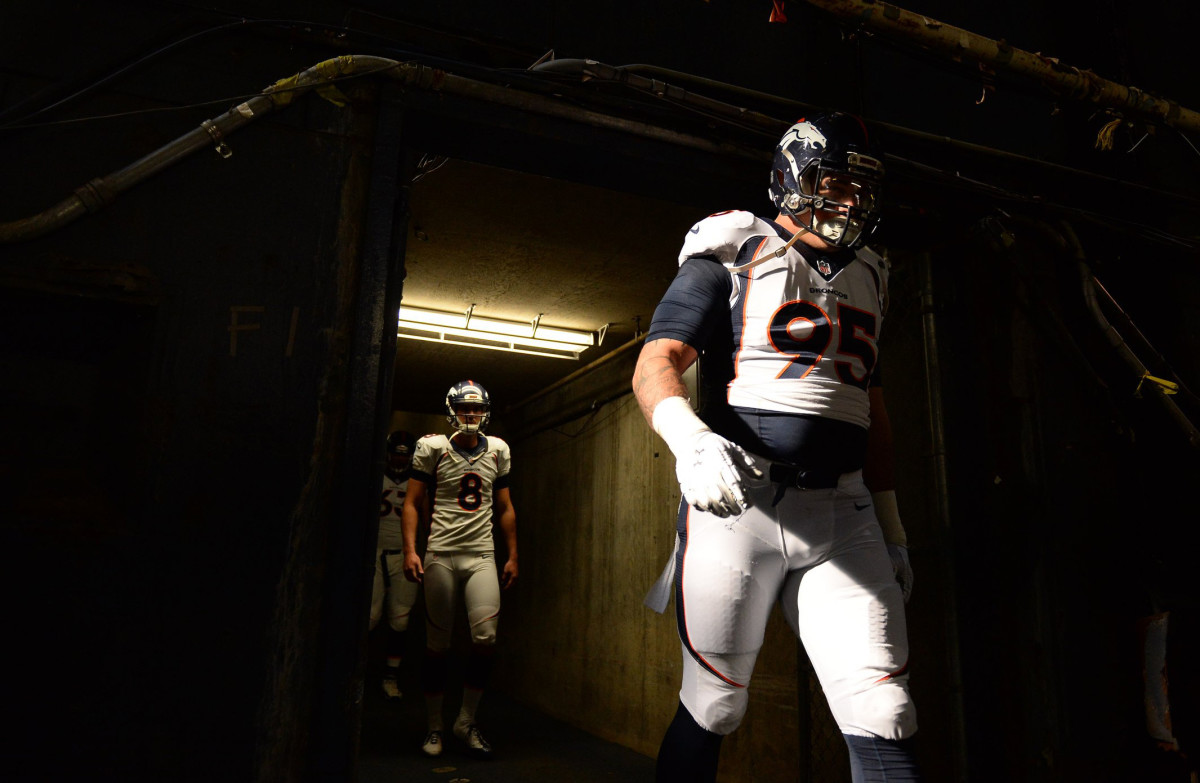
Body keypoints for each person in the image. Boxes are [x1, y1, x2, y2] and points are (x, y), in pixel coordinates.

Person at [633, 112, 922, 783]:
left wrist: (891, 518)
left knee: (887, 708)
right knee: (716, 702)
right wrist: (689, 440)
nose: (849, 198)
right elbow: (656, 362)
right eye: (834, 181)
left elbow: (870, 406)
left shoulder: (873, 272)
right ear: (793, 177)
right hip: (742, 505)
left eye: (860, 186)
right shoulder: (739, 246)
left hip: (844, 512)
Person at [402, 380, 518, 760]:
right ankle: (434, 725)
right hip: (440, 553)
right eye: (465, 409)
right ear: (453, 411)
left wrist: (512, 554)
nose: (471, 415)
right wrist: (410, 550)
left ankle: (465, 721)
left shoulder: (498, 450)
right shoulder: (433, 447)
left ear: (485, 411)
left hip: (481, 554)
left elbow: (504, 507)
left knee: (485, 639)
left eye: (476, 409)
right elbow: (413, 502)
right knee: (437, 645)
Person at [370, 429, 420, 701]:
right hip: (374, 550)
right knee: (370, 616)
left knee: (400, 618)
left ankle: (391, 676)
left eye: (405, 456)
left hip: (403, 552)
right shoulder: (374, 476)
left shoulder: (419, 481)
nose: (400, 461)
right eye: (396, 455)